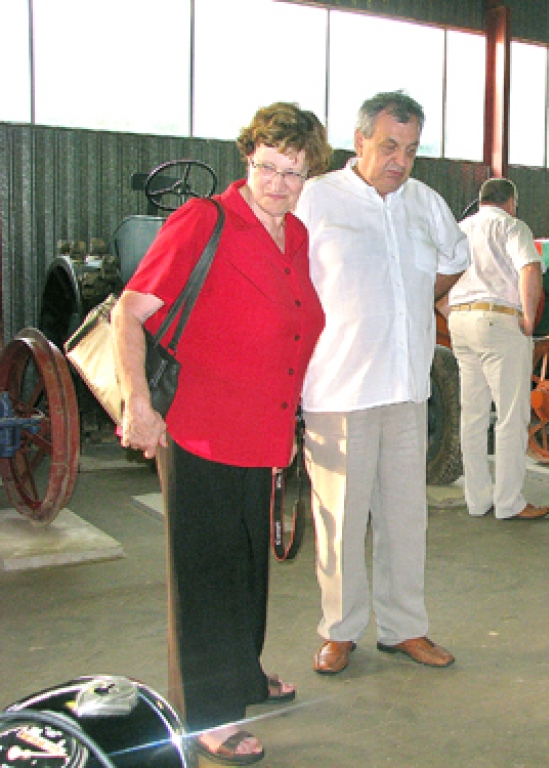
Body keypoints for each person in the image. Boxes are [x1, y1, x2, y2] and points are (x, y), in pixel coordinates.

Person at [112, 102, 332, 765]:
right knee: (207, 573)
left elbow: (294, 329)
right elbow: (130, 312)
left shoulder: (294, 236)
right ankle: (206, 712)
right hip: (199, 429)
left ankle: (241, 671)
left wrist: (287, 423)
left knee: (248, 567)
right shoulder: (203, 220)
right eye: (269, 165)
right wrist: (138, 403)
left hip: (261, 430)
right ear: (248, 157)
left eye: (295, 173)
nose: (280, 183)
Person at [295, 91, 469, 676]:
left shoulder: (426, 203)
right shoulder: (317, 199)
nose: (400, 160)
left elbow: (453, 260)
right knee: (340, 518)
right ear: (360, 140)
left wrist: (418, 301)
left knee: (405, 516)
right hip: (338, 386)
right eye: (390, 146)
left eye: (412, 150)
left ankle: (403, 628)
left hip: (405, 388)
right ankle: (339, 629)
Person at [448, 178, 549, 520]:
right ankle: (509, 502)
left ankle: (477, 499)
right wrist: (530, 317)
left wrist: (453, 313)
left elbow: (439, 276)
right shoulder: (511, 226)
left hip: (461, 321)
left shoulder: (459, 229)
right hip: (499, 322)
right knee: (510, 415)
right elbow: (530, 269)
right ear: (510, 201)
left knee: (473, 415)